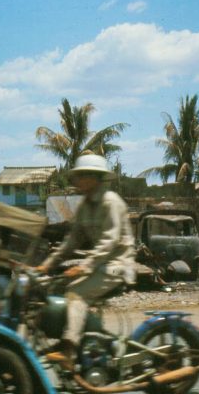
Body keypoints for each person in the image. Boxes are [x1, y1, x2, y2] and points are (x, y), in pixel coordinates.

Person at [35, 154, 136, 369]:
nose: (77, 180)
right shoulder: (84, 206)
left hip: (118, 265)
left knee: (76, 292)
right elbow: (71, 241)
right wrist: (47, 264)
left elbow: (110, 241)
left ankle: (69, 350)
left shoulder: (111, 202)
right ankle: (82, 338)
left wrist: (84, 266)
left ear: (94, 178)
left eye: (81, 176)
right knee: (55, 289)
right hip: (101, 265)